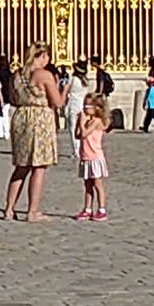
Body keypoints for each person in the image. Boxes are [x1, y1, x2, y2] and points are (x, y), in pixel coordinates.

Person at [3, 42, 64, 222]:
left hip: (21, 116)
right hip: (39, 118)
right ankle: (32, 211)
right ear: (43, 56)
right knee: (39, 166)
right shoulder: (44, 75)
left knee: (21, 166)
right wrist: (63, 89)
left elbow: (13, 98)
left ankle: (9, 209)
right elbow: (58, 102)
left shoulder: (17, 75)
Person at [74, 93, 111, 221]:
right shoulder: (87, 121)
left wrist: (82, 122)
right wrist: (78, 122)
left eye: (88, 106)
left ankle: (101, 209)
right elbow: (78, 135)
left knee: (97, 184)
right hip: (86, 156)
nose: (85, 108)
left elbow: (84, 133)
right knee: (87, 185)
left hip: (95, 157)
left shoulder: (96, 121)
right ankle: (87, 208)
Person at [65, 60, 89, 159]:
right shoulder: (85, 81)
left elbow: (66, 91)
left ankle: (76, 150)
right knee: (82, 127)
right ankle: (82, 148)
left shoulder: (73, 79)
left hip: (73, 104)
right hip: (82, 104)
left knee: (73, 128)